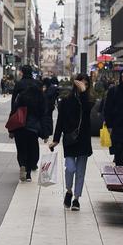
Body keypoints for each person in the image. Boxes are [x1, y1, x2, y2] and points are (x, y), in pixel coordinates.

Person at [50, 74, 95, 211]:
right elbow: (60, 121)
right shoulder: (65, 101)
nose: (83, 86)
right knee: (70, 168)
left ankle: (76, 198)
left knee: (80, 171)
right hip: (69, 139)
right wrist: (56, 139)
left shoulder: (89, 100)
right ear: (75, 84)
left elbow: (86, 111)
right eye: (81, 83)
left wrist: (83, 93)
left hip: (83, 140)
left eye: (86, 84)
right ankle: (69, 190)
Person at [10, 65, 47, 182]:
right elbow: (43, 108)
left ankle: (22, 165)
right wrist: (44, 129)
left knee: (21, 148)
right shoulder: (38, 85)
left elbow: (14, 105)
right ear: (32, 72)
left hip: (20, 122)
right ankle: (29, 173)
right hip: (33, 124)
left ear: (21, 72)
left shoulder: (19, 84)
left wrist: (11, 127)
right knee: (32, 147)